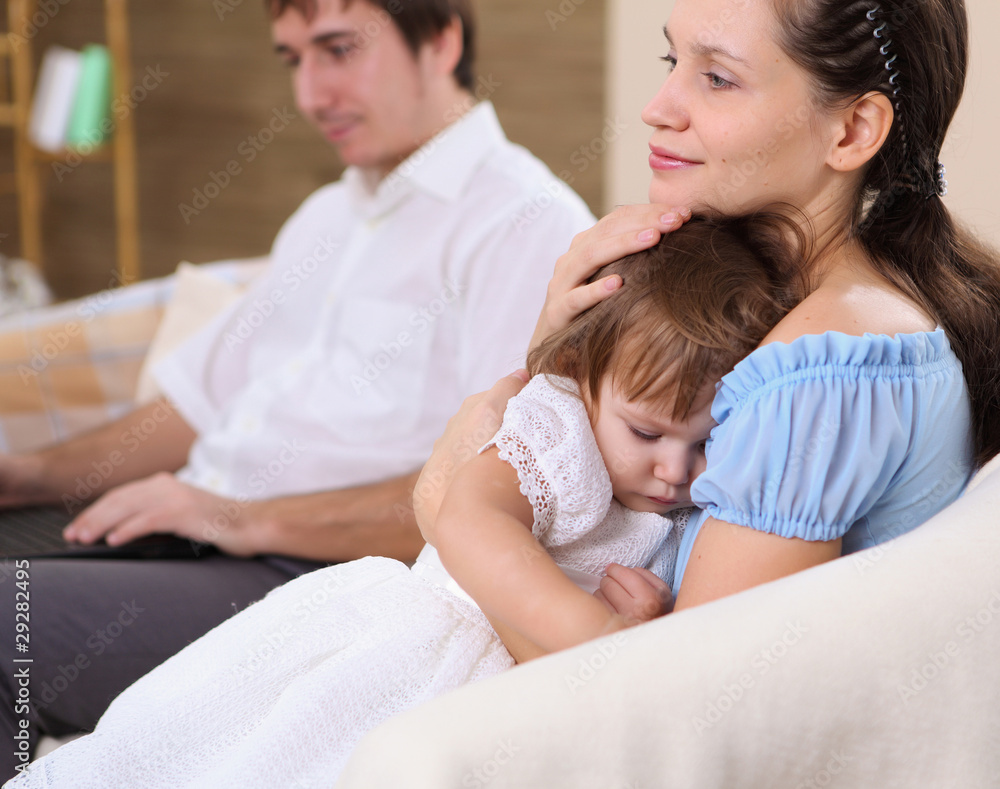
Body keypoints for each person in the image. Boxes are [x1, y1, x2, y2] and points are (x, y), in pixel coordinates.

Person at [0, 0, 596, 776]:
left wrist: (237, 516)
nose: (311, 94)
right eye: (294, 59)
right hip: (192, 531)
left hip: (314, 577)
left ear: (443, 39)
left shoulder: (525, 225)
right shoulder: (329, 214)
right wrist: (27, 475)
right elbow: (196, 405)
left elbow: (483, 500)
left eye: (339, 49)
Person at [5, 216, 797, 788]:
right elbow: (470, 520)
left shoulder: (698, 495)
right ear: (587, 376)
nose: (674, 469)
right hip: (418, 645)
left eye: (703, 445)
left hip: (514, 690)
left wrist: (642, 621)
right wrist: (604, 641)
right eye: (649, 433)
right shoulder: (557, 427)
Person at [406, 0, 1000, 672]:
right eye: (672, 60)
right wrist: (559, 357)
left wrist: (442, 506)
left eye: (717, 79)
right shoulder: (777, 317)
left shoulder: (819, 373)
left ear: (853, 129)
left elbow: (674, 727)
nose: (657, 107)